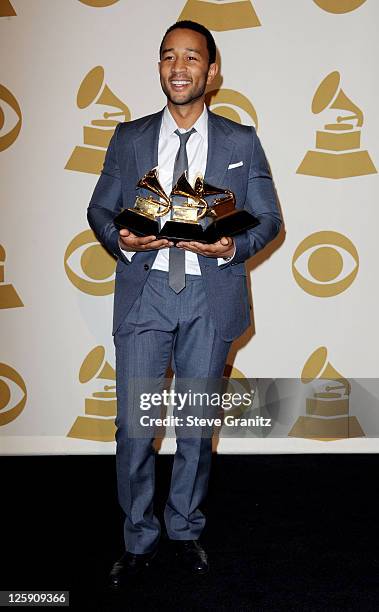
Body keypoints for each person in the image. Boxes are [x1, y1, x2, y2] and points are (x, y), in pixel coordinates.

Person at [87, 20, 282, 587]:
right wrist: (118, 238)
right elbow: (100, 209)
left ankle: (184, 527)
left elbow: (269, 219)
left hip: (209, 292)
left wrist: (233, 244)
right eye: (169, 57)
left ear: (211, 70)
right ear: (160, 68)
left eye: (192, 58)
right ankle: (138, 536)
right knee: (133, 426)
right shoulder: (127, 137)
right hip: (145, 291)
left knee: (195, 427)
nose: (179, 67)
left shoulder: (241, 141)